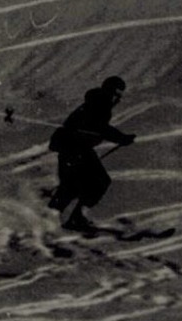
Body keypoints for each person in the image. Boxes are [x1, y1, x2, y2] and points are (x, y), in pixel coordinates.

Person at [47, 75, 135, 231]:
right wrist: (121, 138)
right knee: (98, 182)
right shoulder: (100, 103)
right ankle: (71, 219)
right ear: (111, 91)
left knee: (73, 185)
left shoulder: (97, 101)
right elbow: (100, 127)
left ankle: (50, 219)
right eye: (118, 93)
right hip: (76, 148)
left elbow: (95, 127)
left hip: (73, 148)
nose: (118, 98)